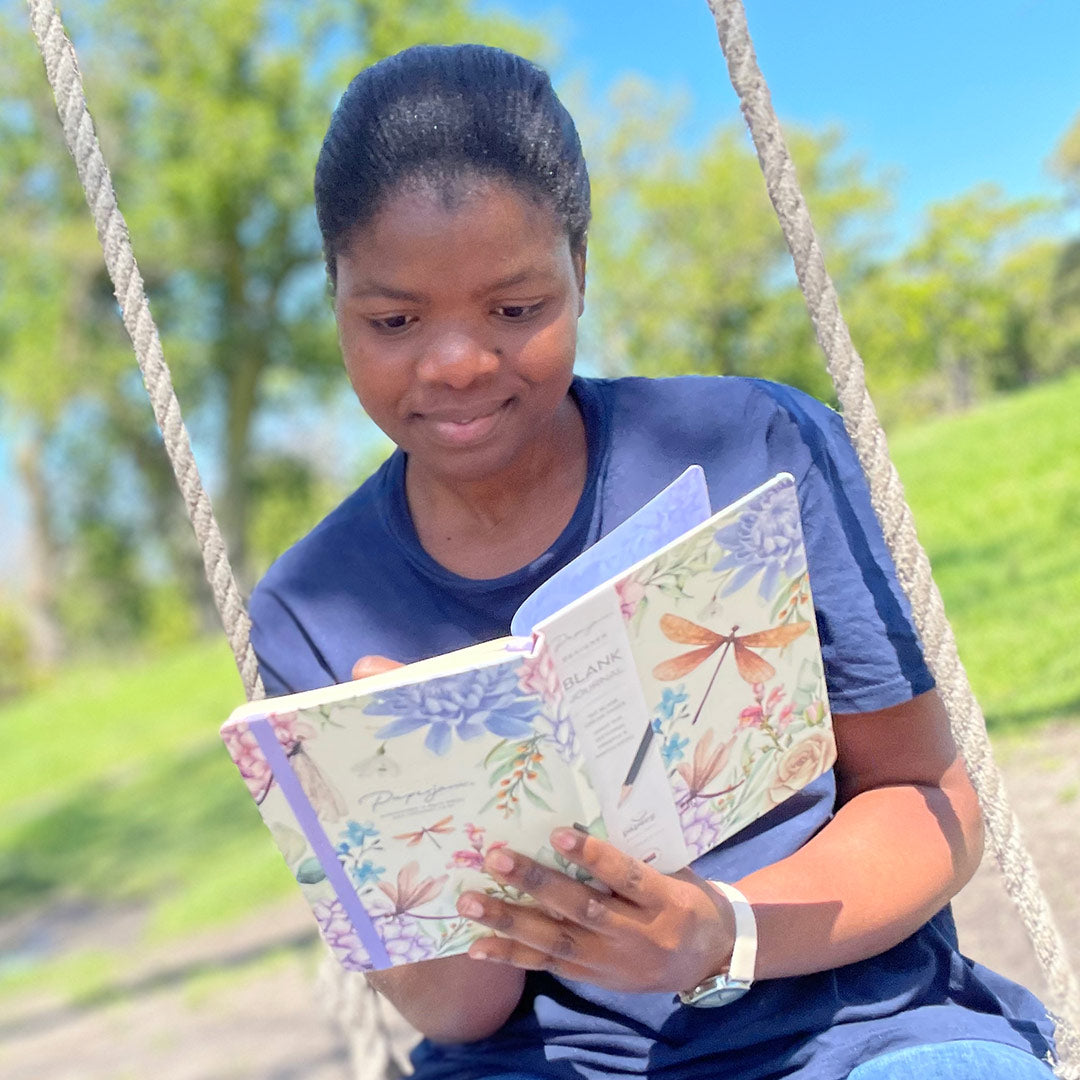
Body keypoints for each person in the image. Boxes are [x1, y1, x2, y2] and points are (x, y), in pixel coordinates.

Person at [249, 43, 1057, 1080]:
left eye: (515, 308)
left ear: (580, 274)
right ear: (336, 302)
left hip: (850, 1033)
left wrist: (721, 932)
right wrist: (434, 815)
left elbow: (927, 801)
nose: (456, 362)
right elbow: (455, 1008)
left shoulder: (754, 447)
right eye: (394, 320)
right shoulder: (313, 611)